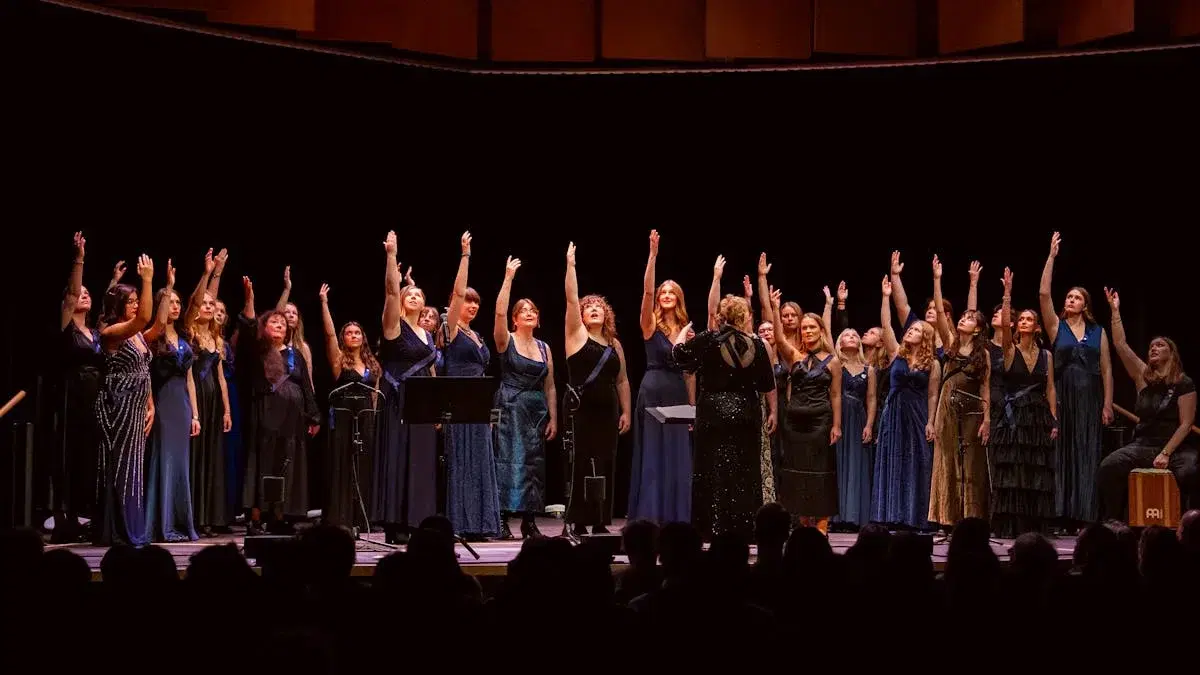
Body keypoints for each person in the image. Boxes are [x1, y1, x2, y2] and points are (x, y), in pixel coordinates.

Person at [672, 295, 776, 541]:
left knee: (711, 470)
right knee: (743, 471)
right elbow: (765, 383)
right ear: (745, 317)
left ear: (721, 316)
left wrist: (683, 332)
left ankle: (710, 527)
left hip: (713, 413)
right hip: (746, 412)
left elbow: (678, 356)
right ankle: (742, 527)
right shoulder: (758, 345)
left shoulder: (708, 340)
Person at [758, 254, 842, 534]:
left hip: (820, 422)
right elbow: (779, 338)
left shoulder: (833, 361)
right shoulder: (794, 355)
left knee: (819, 473)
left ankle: (820, 523)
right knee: (795, 473)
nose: (806, 331)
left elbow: (836, 395)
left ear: (820, 331)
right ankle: (801, 523)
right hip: (794, 423)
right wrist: (775, 306)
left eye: (811, 327)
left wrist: (837, 425)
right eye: (804, 328)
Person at [1097, 288, 1198, 518]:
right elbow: (1121, 344)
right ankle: (1115, 521)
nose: (1153, 348)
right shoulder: (1143, 377)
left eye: (1160, 345)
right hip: (1142, 444)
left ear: (1171, 354)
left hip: (1175, 447)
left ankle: (1187, 523)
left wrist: (1165, 453)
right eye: (1152, 345)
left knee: (1190, 472)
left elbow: (1186, 423)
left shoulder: (1184, 383)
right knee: (1109, 467)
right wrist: (1115, 311)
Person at [1039, 232, 1113, 526]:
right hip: (1063, 395)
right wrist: (1051, 257)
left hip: (1091, 397)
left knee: (1087, 451)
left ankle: (1085, 514)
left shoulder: (1098, 332)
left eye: (1076, 297)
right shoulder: (1057, 327)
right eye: (1068, 296)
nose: (1070, 300)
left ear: (1085, 304)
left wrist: (1107, 404)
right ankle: (1060, 513)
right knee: (1062, 454)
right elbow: (1044, 295)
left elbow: (1107, 369)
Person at [237, 276, 320, 534]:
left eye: (283, 324)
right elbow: (248, 328)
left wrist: (314, 416)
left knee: (288, 464)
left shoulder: (295, 354)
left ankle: (280, 516)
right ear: (265, 326)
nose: (279, 325)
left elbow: (306, 386)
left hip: (292, 419)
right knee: (264, 463)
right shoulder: (258, 351)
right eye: (274, 321)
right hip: (266, 413)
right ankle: (256, 517)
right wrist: (250, 299)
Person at [375, 231, 439, 543]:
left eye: (419, 295)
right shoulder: (393, 326)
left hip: (423, 404)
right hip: (398, 399)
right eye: (409, 294)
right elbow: (390, 292)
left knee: (423, 460)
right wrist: (391, 256)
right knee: (399, 456)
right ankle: (395, 523)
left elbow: (431, 369)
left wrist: (438, 406)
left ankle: (418, 521)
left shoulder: (428, 334)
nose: (414, 297)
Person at [563, 242, 630, 535]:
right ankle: (579, 519)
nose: (593, 310)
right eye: (588, 307)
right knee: (583, 462)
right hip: (582, 409)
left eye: (598, 307)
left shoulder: (615, 345)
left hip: (608, 411)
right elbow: (570, 298)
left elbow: (623, 380)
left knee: (606, 463)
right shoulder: (576, 336)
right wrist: (571, 266)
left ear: (607, 315)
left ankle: (601, 519)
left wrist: (626, 410)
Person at [628, 230, 693, 525]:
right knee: (653, 454)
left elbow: (690, 373)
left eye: (671, 293)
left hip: (677, 390)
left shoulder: (687, 329)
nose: (665, 296)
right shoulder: (649, 324)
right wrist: (652, 257)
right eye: (663, 293)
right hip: (653, 389)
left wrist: (692, 408)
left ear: (678, 299)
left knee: (678, 455)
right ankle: (650, 517)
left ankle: (676, 518)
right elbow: (647, 294)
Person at [990, 268, 1058, 537]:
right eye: (1022, 319)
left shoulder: (1046, 356)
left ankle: (1034, 525)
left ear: (1037, 327)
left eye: (1030, 319)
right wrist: (1007, 294)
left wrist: (1053, 418)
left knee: (1035, 471)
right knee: (1013, 470)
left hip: (1037, 416)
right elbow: (1005, 325)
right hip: (1012, 417)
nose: (1025, 322)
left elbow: (1050, 388)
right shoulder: (1009, 349)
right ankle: (1011, 526)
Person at [493, 256, 557, 539]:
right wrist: (508, 278)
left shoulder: (545, 348)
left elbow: (551, 385)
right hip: (510, 407)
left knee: (534, 465)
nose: (529, 313)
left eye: (533, 310)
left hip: (536, 411)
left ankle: (530, 521)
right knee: (508, 461)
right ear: (515, 318)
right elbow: (497, 315)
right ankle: (503, 519)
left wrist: (553, 415)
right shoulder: (506, 339)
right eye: (523, 310)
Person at [95, 254, 156, 546]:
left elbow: (144, 366)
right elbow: (145, 318)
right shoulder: (112, 333)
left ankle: (132, 527)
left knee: (134, 466)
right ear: (119, 306)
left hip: (136, 404)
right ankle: (118, 530)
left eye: (137, 300)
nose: (136, 305)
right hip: (117, 405)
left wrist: (150, 403)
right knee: (121, 466)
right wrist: (147, 281)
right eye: (131, 301)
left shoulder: (139, 336)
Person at [442, 231, 500, 540]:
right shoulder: (449, 327)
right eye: (468, 301)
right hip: (457, 398)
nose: (473, 306)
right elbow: (457, 290)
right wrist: (465, 255)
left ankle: (480, 524)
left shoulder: (477, 335)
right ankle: (460, 523)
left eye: (477, 302)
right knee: (461, 459)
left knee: (479, 459)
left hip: (479, 402)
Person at [872, 274, 941, 530]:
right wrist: (886, 297)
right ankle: (892, 515)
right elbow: (887, 325)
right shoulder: (895, 354)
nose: (911, 331)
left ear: (926, 337)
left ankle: (916, 517)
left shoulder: (932, 363)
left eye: (917, 330)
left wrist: (931, 421)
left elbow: (933, 394)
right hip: (894, 413)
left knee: (917, 462)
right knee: (894, 461)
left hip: (918, 413)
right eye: (910, 329)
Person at [928, 255, 991, 528]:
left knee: (971, 464)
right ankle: (947, 518)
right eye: (963, 316)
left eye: (969, 317)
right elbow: (941, 314)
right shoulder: (951, 342)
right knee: (947, 460)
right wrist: (937, 279)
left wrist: (986, 420)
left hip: (972, 410)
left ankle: (971, 519)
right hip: (947, 406)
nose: (964, 318)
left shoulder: (983, 353)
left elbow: (986, 386)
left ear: (977, 328)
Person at [54, 232, 108, 542]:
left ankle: (88, 515)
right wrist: (80, 259)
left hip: (96, 398)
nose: (84, 295)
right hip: (72, 396)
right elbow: (73, 294)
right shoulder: (67, 326)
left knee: (91, 459)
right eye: (80, 293)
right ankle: (66, 518)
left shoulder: (96, 332)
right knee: (71, 456)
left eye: (90, 292)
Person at [143, 260, 200, 543]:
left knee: (180, 465)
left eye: (178, 302)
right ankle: (162, 523)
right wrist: (168, 286)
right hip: (163, 402)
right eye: (171, 302)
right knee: (163, 460)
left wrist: (196, 415)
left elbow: (190, 379)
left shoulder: (185, 337)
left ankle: (180, 521)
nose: (176, 306)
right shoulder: (155, 335)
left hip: (182, 405)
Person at [319, 282, 381, 531]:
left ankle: (362, 517)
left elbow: (376, 394)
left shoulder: (371, 362)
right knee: (342, 465)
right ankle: (341, 518)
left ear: (363, 337)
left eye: (357, 333)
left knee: (364, 465)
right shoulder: (339, 360)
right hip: (344, 418)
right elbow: (330, 335)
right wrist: (324, 304)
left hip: (365, 417)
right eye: (349, 333)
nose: (353, 336)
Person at [184, 250, 233, 536]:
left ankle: (207, 517)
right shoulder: (188, 332)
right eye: (203, 303)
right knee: (195, 456)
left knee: (211, 458)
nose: (207, 306)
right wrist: (212, 273)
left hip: (214, 401)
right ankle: (191, 515)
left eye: (210, 304)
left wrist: (227, 410)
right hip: (195, 399)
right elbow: (195, 301)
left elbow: (221, 378)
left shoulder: (216, 338)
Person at [833, 328, 877, 528]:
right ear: (839, 343)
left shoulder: (869, 369)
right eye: (846, 335)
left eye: (854, 335)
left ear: (859, 343)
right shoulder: (835, 365)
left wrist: (869, 424)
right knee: (838, 463)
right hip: (839, 418)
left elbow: (871, 398)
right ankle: (837, 516)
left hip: (858, 418)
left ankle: (855, 516)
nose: (851, 337)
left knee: (857, 464)